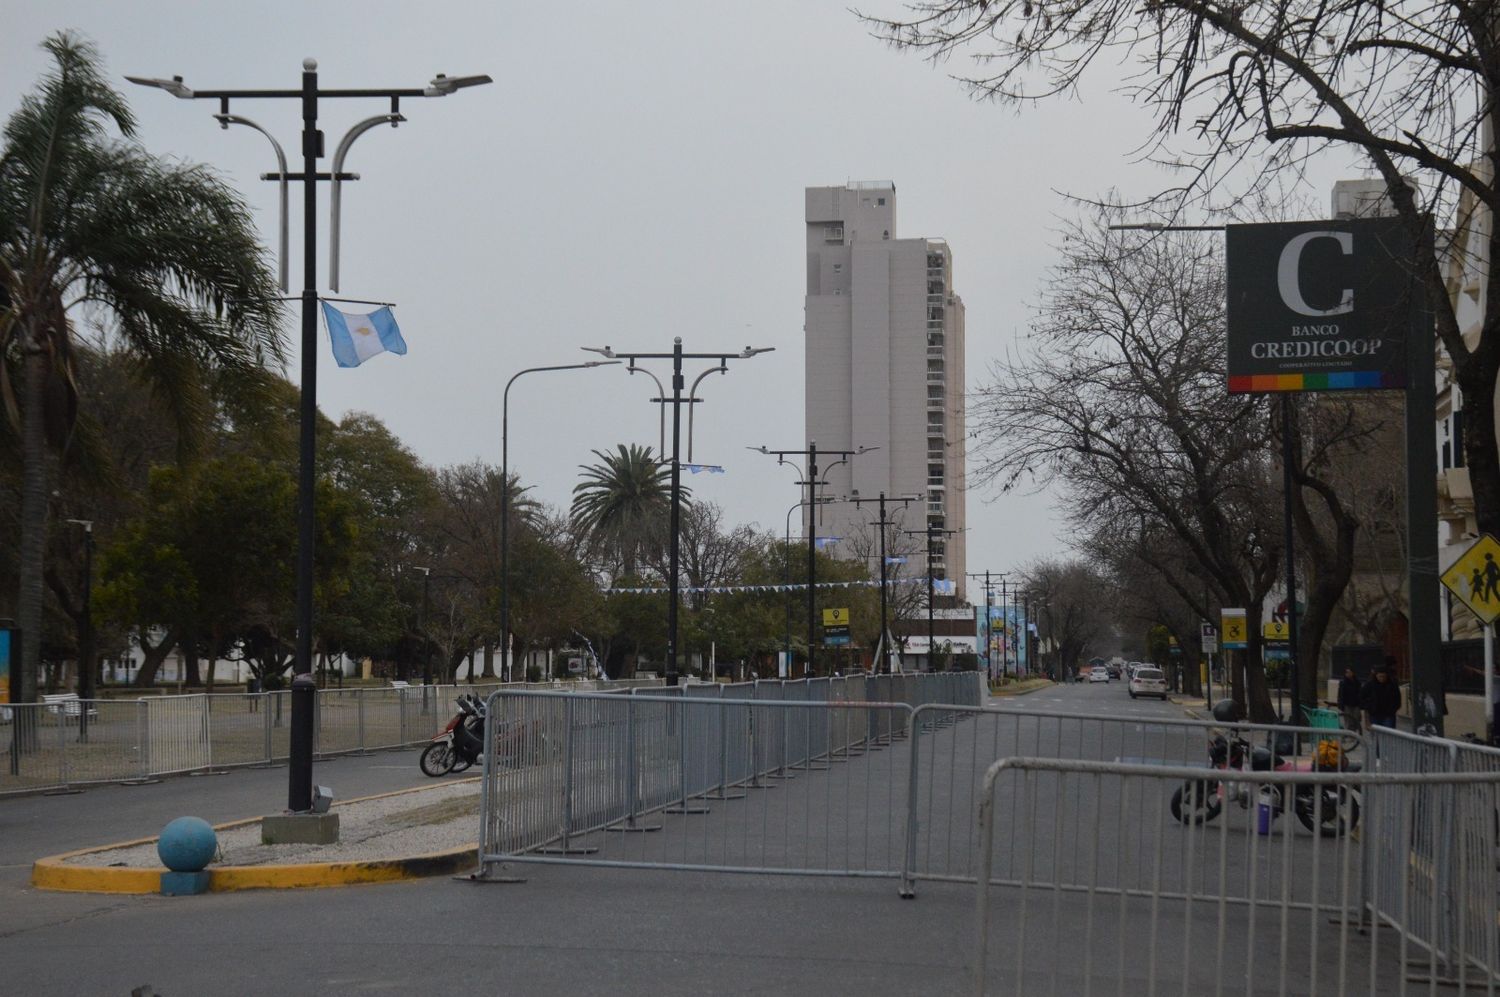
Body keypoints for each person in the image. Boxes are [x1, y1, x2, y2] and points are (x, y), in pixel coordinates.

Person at [1361, 664, 1402, 730]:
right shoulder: (1369, 685)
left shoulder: (1392, 685)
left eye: (1383, 676)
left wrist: (1393, 709)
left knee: (1389, 733)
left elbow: (1397, 698)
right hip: (1374, 714)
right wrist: (1369, 707)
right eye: (1380, 676)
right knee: (1376, 734)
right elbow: (1362, 697)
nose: (1382, 678)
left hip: (1388, 714)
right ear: (1376, 675)